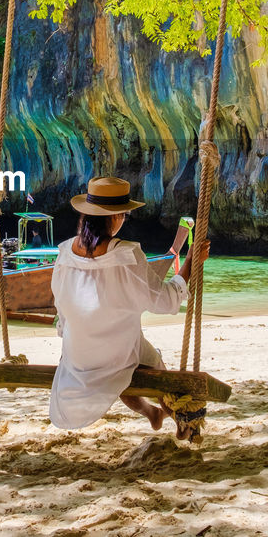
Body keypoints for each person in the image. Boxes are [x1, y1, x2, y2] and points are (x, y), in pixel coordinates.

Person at [49, 176, 209, 438]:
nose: (124, 219)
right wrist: (191, 260)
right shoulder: (126, 254)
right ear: (115, 217)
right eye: (123, 214)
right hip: (118, 353)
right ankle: (178, 420)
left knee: (122, 367)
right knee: (148, 365)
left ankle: (150, 414)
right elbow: (164, 300)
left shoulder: (65, 253)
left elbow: (62, 309)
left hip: (77, 357)